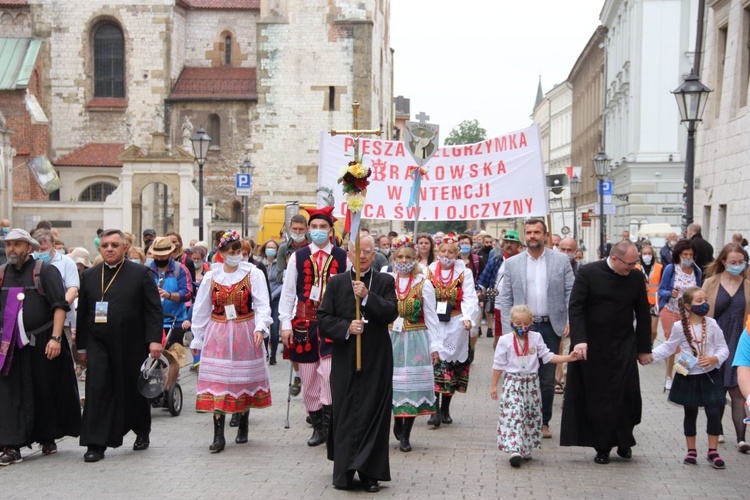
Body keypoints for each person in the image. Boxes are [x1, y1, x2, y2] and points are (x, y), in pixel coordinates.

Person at [317, 234, 399, 492]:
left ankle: (369, 473)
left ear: (374, 256)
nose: (362, 256)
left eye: (367, 252)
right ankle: (344, 470)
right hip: (345, 356)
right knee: (346, 410)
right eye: (357, 251)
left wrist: (366, 297)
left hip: (376, 357)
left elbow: (391, 311)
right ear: (349, 253)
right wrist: (345, 327)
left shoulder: (384, 281)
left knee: (373, 411)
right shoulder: (337, 282)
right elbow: (323, 318)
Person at [560, 240, 652, 465]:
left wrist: (644, 349)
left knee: (627, 395)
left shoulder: (636, 277)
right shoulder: (589, 273)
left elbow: (643, 313)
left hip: (624, 345)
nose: (632, 268)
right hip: (594, 346)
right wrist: (579, 340)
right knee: (599, 398)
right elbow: (576, 307)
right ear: (614, 259)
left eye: (635, 263)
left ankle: (624, 441)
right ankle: (602, 447)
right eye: (629, 264)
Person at [76, 229, 163, 462]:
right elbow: (83, 312)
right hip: (98, 343)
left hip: (131, 341)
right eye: (105, 245)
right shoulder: (90, 276)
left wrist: (155, 339)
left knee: (132, 388)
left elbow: (153, 309)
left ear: (125, 247)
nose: (109, 249)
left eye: (115, 244)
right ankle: (95, 443)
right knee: (97, 389)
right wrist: (81, 347)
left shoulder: (141, 273)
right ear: (99, 248)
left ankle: (142, 430)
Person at [0, 229, 78, 466]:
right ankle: (11, 444)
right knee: (9, 393)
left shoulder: (45, 271)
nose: (11, 249)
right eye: (9, 244)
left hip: (42, 341)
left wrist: (56, 338)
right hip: (9, 344)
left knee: (43, 389)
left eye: (17, 244)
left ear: (29, 248)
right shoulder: (2, 273)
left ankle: (47, 435)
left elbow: (59, 305)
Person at [189, 230, 272, 453]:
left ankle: (243, 421)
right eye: (232, 251)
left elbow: (263, 304)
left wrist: (260, 327)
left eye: (239, 251)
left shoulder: (253, 273)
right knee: (219, 382)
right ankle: (218, 435)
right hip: (218, 331)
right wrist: (198, 336)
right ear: (221, 253)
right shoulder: (211, 276)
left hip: (245, 329)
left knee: (242, 378)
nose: (237, 255)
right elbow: (202, 308)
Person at [499, 218, 573, 439]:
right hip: (523, 329)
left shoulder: (560, 261)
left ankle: (543, 422)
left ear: (545, 235)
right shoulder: (513, 263)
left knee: (546, 377)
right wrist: (507, 330)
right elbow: (506, 298)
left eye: (537, 232)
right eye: (529, 232)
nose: (532, 236)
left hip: (551, 325)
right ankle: (521, 419)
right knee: (521, 375)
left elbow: (571, 292)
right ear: (525, 235)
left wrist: (570, 319)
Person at [279, 206, 347, 446]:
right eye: (315, 227)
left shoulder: (342, 257)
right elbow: (288, 294)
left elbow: (349, 292)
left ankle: (330, 426)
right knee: (308, 380)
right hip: (303, 325)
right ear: (309, 229)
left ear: (330, 230)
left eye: (323, 227)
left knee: (328, 375)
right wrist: (285, 324)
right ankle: (317, 425)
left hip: (332, 324)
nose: (318, 231)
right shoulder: (297, 257)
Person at [644, 287, 729, 468]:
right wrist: (649, 357)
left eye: (705, 299)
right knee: (690, 413)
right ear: (689, 306)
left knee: (714, 412)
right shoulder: (679, 326)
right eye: (699, 301)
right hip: (689, 375)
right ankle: (691, 451)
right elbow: (668, 347)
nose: (704, 303)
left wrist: (714, 358)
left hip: (710, 375)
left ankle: (713, 451)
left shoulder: (712, 324)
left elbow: (723, 348)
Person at [490, 305, 578, 467]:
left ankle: (526, 446)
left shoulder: (536, 338)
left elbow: (547, 356)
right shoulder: (505, 340)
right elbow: (498, 364)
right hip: (513, 382)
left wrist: (568, 358)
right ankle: (514, 448)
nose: (522, 328)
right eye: (517, 323)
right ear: (511, 322)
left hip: (531, 383)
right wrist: (494, 385)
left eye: (525, 324)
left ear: (531, 323)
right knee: (514, 413)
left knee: (530, 415)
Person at [387, 237, 441, 453]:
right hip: (390, 337)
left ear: (415, 258)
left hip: (416, 337)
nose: (403, 260)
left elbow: (431, 316)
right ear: (393, 257)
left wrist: (435, 345)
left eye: (408, 257)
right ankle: (396, 421)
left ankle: (406, 434)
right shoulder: (387, 280)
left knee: (409, 385)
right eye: (399, 256)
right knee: (391, 384)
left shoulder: (423, 283)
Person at [427, 234, 479, 428]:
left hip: (455, 322)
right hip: (435, 322)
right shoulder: (429, 271)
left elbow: (470, 297)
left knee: (450, 366)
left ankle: (445, 408)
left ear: (456, 254)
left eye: (450, 252)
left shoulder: (464, 273)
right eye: (443, 251)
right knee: (435, 364)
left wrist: (467, 317)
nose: (446, 255)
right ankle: (433, 410)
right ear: (438, 252)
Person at [702, 243, 750, 453]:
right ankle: (717, 429)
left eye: (741, 262)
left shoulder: (748, 285)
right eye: (733, 262)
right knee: (717, 389)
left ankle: (741, 438)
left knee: (738, 391)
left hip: (739, 341)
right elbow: (700, 310)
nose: (737, 266)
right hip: (716, 342)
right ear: (723, 261)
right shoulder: (710, 283)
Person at [658, 239, 702, 390]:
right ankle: (669, 375)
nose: (688, 257)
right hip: (671, 312)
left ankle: (681, 373)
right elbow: (661, 290)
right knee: (673, 345)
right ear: (679, 254)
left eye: (691, 254)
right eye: (685, 254)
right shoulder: (671, 269)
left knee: (690, 344)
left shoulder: (697, 271)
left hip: (689, 314)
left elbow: (699, 291)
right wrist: (671, 293)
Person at [276, 214, 311, 397]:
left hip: (310, 296)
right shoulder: (284, 249)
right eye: (294, 229)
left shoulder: (313, 246)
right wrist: (292, 269)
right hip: (292, 297)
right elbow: (279, 275)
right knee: (294, 343)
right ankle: (298, 374)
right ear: (290, 228)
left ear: (306, 229)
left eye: (300, 229)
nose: (297, 232)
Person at [478, 230, 523, 343]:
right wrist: (479, 292)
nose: (508, 244)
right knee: (500, 340)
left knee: (518, 339)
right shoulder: (495, 261)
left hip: (520, 306)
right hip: (500, 306)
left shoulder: (525, 261)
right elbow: (482, 281)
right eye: (506, 242)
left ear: (518, 245)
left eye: (512, 242)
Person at [148, 236, 192, 348]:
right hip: (152, 323)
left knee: (174, 358)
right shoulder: (147, 270)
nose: (159, 258)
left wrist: (169, 295)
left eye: (163, 256)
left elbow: (187, 293)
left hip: (175, 323)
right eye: (156, 256)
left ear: (170, 254)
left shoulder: (180, 269)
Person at [635, 244, 663, 343]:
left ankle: (649, 345)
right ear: (641, 255)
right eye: (645, 253)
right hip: (639, 302)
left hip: (654, 303)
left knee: (653, 331)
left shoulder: (659, 267)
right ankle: (640, 347)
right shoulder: (636, 268)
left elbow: (662, 283)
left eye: (649, 253)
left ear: (653, 255)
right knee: (640, 328)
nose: (647, 255)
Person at [260, 239, 281, 365]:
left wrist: (271, 295)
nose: (271, 249)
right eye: (268, 247)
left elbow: (282, 284)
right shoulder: (260, 264)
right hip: (263, 301)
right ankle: (265, 353)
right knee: (264, 327)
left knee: (274, 328)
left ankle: (273, 354)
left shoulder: (279, 265)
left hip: (275, 300)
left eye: (273, 247)